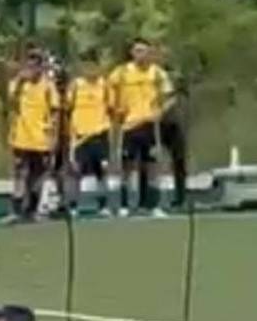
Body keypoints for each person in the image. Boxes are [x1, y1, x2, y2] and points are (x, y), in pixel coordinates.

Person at [108, 37, 170, 218]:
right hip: (129, 126)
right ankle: (126, 205)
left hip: (150, 124)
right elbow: (110, 93)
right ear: (131, 53)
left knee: (151, 166)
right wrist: (115, 109)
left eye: (144, 51)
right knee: (127, 166)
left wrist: (161, 110)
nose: (141, 55)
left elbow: (169, 95)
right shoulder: (121, 73)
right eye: (137, 51)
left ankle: (151, 205)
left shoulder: (157, 73)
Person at [8, 48, 59, 220]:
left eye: (36, 64)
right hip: (22, 137)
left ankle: (32, 209)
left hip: (40, 139)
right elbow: (11, 104)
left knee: (37, 175)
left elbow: (54, 111)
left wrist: (53, 136)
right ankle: (16, 209)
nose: (32, 69)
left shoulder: (48, 85)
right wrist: (20, 82)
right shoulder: (19, 84)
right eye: (29, 64)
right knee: (20, 173)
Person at [66, 54, 113, 217]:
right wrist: (72, 134)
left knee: (103, 170)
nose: (90, 70)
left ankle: (103, 205)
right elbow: (68, 109)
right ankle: (73, 206)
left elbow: (111, 108)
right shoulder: (76, 86)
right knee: (76, 171)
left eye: (93, 66)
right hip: (80, 135)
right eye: (87, 66)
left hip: (99, 134)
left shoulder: (104, 85)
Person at [155, 45, 189, 211]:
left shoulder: (176, 76)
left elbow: (179, 97)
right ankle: (154, 197)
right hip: (153, 123)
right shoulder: (150, 75)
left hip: (174, 122)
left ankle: (180, 196)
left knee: (179, 160)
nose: (162, 58)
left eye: (164, 55)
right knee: (152, 161)